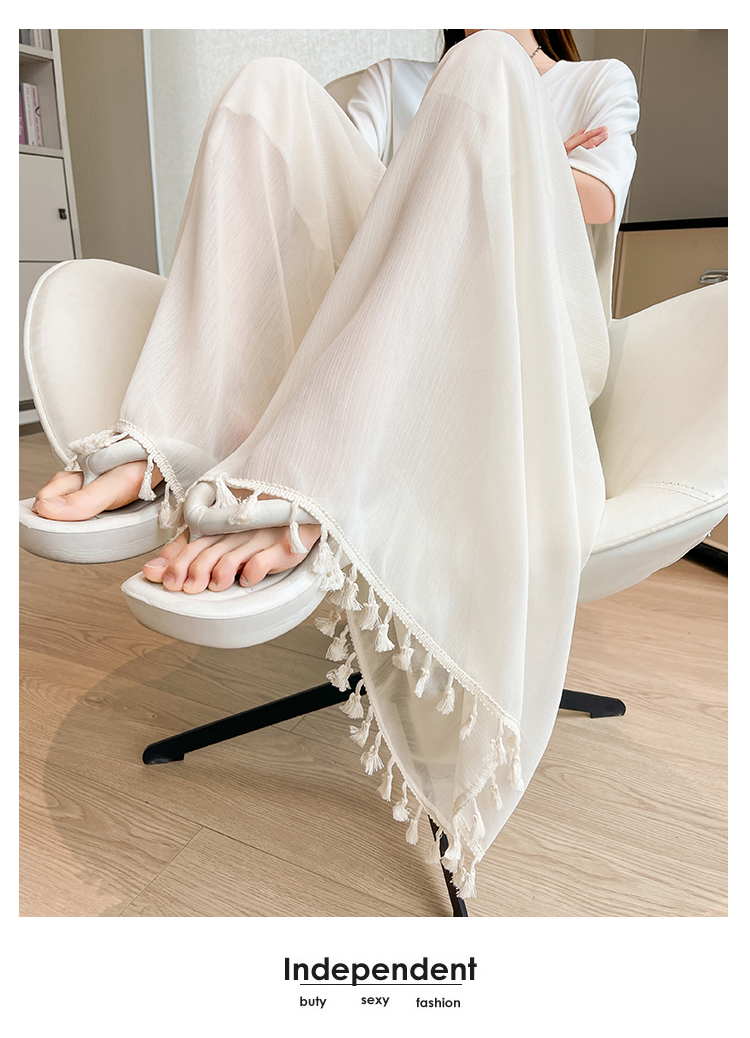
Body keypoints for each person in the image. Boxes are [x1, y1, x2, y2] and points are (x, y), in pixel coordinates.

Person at [27, 30, 639, 897]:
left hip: (518, 356)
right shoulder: (394, 81)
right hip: (391, 349)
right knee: (267, 88)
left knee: (487, 70)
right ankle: (177, 432)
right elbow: (327, 217)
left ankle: (316, 467)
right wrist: (479, 164)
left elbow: (596, 201)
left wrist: (480, 138)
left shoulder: (595, 80)